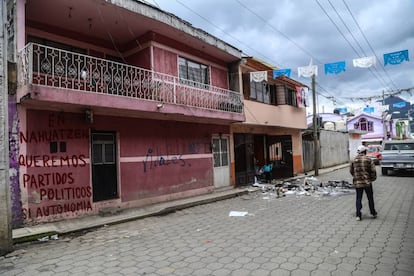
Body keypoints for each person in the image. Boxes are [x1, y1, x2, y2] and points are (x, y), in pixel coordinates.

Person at [350, 145, 378, 221]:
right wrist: (372, 179)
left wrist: (356, 177)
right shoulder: (368, 159)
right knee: (370, 198)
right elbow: (373, 171)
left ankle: (358, 215)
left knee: (358, 198)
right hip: (367, 182)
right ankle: (373, 212)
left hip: (358, 182)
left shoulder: (354, 160)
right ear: (364, 152)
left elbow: (351, 171)